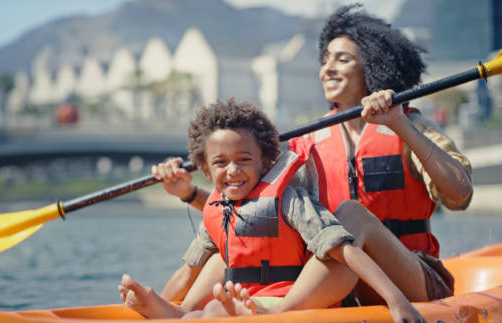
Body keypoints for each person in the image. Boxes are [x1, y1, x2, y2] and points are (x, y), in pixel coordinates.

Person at [153, 3, 472, 314]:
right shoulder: (305, 145)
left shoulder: (411, 126)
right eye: (325, 59)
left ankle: (279, 312)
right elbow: (257, 210)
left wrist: (398, 123)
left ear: (373, 66)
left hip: (414, 278)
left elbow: (460, 195)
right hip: (342, 283)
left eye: (342, 59)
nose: (327, 69)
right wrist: (190, 193)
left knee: (350, 214)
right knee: (231, 245)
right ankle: (169, 311)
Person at [119, 98, 424, 322]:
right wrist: (157, 299)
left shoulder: (290, 200)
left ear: (265, 162)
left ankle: (257, 312)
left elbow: (344, 250)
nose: (234, 170)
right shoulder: (218, 210)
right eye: (221, 163)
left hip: (297, 297)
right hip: (251, 296)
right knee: (210, 281)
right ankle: (175, 313)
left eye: (245, 159)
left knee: (215, 310)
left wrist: (396, 299)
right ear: (206, 171)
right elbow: (189, 270)